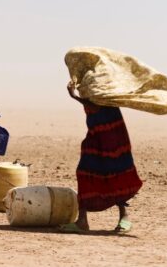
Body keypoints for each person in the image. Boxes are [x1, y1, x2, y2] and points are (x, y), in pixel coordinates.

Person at [60, 81, 143, 232]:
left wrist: (74, 96)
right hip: (96, 134)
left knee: (116, 174)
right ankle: (82, 221)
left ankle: (124, 217)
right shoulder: (86, 81)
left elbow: (95, 104)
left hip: (112, 135)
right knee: (85, 172)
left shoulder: (99, 83)